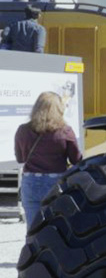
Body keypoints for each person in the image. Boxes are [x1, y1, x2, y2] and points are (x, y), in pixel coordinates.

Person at [14, 92, 82, 227]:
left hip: (31, 182)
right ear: (59, 109)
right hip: (55, 183)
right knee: (56, 227)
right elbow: (76, 160)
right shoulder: (65, 131)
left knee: (33, 228)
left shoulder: (23, 130)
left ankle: (33, 248)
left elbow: (20, 158)